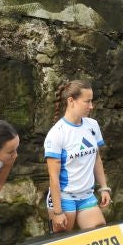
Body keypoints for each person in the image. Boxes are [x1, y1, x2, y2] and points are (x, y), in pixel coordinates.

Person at [45, 80, 111, 233]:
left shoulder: (92, 125)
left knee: (102, 239)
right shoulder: (57, 133)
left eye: (91, 101)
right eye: (87, 101)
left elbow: (96, 159)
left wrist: (104, 188)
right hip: (64, 198)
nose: (91, 106)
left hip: (87, 196)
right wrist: (57, 211)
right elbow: (53, 177)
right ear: (71, 101)